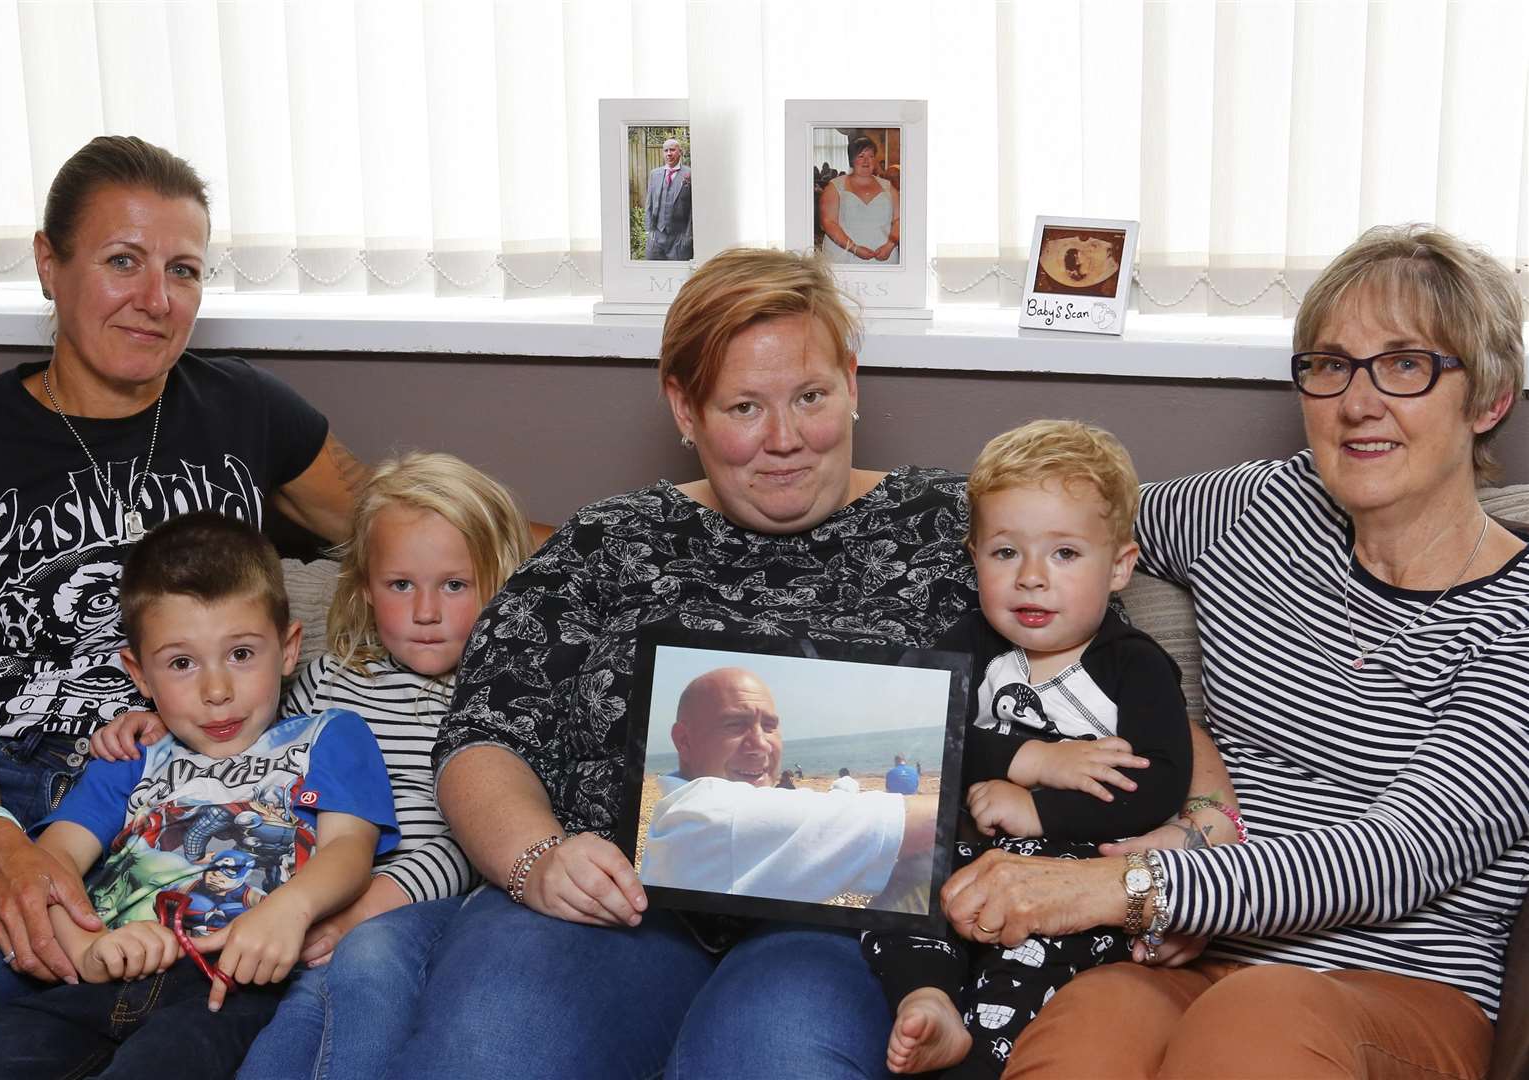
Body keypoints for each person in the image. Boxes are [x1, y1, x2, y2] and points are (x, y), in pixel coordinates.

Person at [351, 247, 1220, 1080]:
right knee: (497, 1037)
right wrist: (535, 858)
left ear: (852, 383)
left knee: (775, 1047)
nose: (783, 440)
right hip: (607, 906)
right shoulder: (608, 543)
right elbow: (483, 732)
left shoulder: (962, 529)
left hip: (849, 930)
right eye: (742, 408)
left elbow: (1110, 689)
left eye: (809, 395)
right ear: (684, 409)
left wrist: (1185, 856)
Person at [942, 225, 1527, 1079]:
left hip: (1399, 988)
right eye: (1330, 365)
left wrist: (1130, 888)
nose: (1356, 403)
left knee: (1260, 1017)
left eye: (1405, 365)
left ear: (1488, 400)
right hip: (1193, 958)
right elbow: (1063, 525)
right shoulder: (1259, 508)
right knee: (1088, 1024)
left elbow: (1395, 856)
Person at [0, 135, 364, 1001]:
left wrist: (620, 528)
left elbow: (418, 528)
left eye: (185, 271)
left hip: (196, 786)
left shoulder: (245, 406)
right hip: (16, 787)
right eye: (124, 261)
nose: (157, 300)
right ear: (50, 263)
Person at [87, 452, 532, 1078]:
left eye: (454, 585)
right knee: (273, 1011)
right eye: (401, 585)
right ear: (365, 588)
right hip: (299, 887)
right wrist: (160, 723)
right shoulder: (328, 681)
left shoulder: (501, 701)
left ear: (501, 585)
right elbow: (242, 733)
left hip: (408, 898)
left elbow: (464, 840)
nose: (426, 611)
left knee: (365, 965)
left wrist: (366, 906)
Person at [0, 513, 397, 1079]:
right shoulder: (132, 755)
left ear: (287, 649)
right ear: (141, 675)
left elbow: (349, 849)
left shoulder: (329, 736)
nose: (217, 691)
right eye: (181, 663)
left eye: (242, 654)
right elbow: (51, 862)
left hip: (230, 985)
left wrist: (289, 908)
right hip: (101, 974)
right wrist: (86, 950)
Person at [863, 420, 1194, 1078]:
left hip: (1065, 873)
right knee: (892, 891)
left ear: (1119, 566)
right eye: (1005, 553)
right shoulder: (968, 646)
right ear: (973, 556)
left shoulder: (1132, 667)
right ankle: (927, 999)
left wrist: (1040, 812)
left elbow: (1158, 783)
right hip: (960, 855)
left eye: (1065, 554)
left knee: (1028, 972)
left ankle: (978, 1054)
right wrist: (1026, 761)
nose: (1031, 578)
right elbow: (913, 739)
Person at [639, 667, 937, 904]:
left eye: (769, 726)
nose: (760, 745)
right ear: (684, 741)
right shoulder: (717, 813)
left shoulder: (676, 807)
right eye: (734, 725)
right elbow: (929, 822)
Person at [819, 135, 900, 265]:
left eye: (871, 156)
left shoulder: (888, 187)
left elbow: (899, 220)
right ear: (851, 159)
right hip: (843, 256)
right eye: (861, 156)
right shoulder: (834, 186)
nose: (866, 161)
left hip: (884, 256)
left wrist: (890, 245)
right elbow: (828, 222)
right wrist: (854, 248)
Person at [644, 136, 692, 261]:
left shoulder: (690, 174)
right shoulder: (655, 174)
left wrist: (688, 237)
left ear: (680, 152)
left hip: (678, 239)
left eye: (672, 150)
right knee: (653, 274)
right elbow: (649, 203)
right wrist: (649, 232)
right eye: (666, 151)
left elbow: (694, 209)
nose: (669, 154)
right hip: (656, 238)